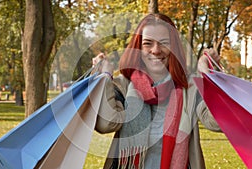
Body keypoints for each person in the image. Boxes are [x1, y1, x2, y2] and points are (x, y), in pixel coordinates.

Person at [92, 13, 220, 169]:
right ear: (138, 47)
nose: (156, 50)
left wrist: (207, 74)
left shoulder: (190, 88)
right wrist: (104, 76)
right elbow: (106, 124)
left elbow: (216, 123)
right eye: (148, 43)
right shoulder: (123, 85)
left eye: (163, 43)